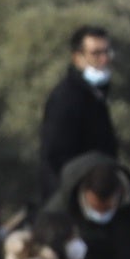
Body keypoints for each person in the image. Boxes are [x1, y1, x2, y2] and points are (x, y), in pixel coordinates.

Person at [36, 24, 121, 210]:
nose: (104, 59)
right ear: (77, 58)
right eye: (96, 53)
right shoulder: (66, 98)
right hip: (73, 203)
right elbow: (56, 158)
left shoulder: (96, 96)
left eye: (107, 52)